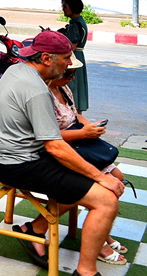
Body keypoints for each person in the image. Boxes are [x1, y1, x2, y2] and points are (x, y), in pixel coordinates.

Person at [0, 30, 123, 276]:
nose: (70, 64)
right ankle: (86, 271)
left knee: (90, 179)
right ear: (46, 59)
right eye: (66, 58)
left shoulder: (15, 70)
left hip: (4, 156)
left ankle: (35, 229)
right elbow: (54, 146)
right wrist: (101, 177)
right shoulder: (38, 90)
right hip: (21, 164)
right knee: (106, 199)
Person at [47, 68, 127, 265]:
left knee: (117, 176)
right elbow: (48, 138)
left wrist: (90, 128)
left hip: (79, 144)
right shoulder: (43, 94)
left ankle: (101, 229)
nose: (72, 78)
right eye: (68, 73)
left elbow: (75, 117)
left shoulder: (64, 89)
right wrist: (84, 133)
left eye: (73, 73)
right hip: (63, 149)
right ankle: (99, 239)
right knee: (103, 190)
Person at [60, 0, 90, 112]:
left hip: (73, 59)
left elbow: (71, 48)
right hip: (79, 57)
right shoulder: (79, 22)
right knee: (77, 89)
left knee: (72, 88)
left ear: (72, 7)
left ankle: (74, 117)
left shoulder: (75, 25)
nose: (63, 9)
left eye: (65, 6)